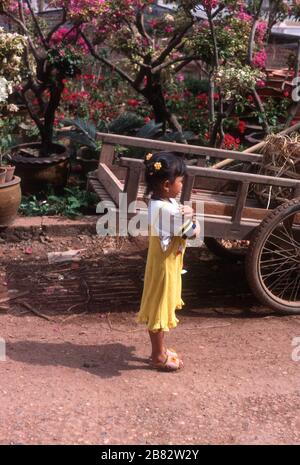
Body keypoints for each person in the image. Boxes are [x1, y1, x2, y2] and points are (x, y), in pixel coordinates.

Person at [136, 151, 201, 371]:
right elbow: (194, 233)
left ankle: (160, 350)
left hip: (163, 263)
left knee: (160, 307)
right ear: (166, 184)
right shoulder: (169, 212)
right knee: (159, 310)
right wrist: (193, 216)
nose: (182, 186)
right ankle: (158, 355)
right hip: (165, 266)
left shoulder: (160, 202)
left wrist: (187, 214)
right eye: (180, 181)